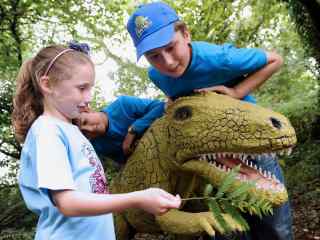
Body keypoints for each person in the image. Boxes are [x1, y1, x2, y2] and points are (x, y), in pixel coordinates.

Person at [126, 2, 292, 240]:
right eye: (154, 56)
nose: (168, 62)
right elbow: (173, 97)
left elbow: (274, 60)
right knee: (229, 226)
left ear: (185, 34)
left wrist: (235, 92)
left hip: (248, 140)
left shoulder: (219, 58)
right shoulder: (156, 75)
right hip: (210, 154)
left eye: (171, 47)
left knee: (272, 225)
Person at [11, 43, 181, 240]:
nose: (89, 97)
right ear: (47, 85)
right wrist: (139, 198)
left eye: (90, 88)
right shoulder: (47, 131)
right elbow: (67, 203)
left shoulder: (72, 131)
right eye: (82, 88)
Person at [75, 95, 165, 164]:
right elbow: (123, 161)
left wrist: (133, 130)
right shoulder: (98, 145)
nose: (91, 129)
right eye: (84, 133)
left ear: (88, 110)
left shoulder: (123, 104)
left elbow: (160, 106)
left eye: (85, 122)